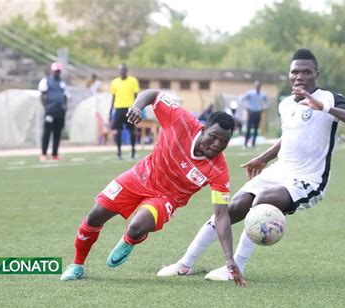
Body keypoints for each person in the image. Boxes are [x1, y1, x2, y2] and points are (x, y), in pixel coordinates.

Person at [157, 48, 345, 281]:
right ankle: (185, 264)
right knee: (232, 208)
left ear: (316, 74)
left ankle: (235, 268)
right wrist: (264, 158)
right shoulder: (286, 104)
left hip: (309, 180)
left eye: (306, 72)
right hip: (279, 171)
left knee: (263, 202)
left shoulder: (329, 98)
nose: (300, 76)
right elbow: (289, 136)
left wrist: (325, 108)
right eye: (295, 72)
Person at [60, 89, 246, 286]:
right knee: (94, 216)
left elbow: (221, 215)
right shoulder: (180, 120)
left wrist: (228, 259)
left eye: (224, 142)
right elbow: (153, 94)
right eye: (214, 136)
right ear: (203, 128)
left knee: (136, 227)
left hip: (166, 199)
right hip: (140, 176)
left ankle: (130, 240)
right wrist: (136, 107)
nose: (218, 144)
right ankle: (77, 265)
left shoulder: (218, 170)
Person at [38, 62, 68, 161]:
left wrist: (65, 107)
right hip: (50, 111)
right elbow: (42, 95)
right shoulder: (46, 81)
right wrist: (46, 108)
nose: (57, 73)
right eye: (56, 71)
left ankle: (55, 154)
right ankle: (43, 153)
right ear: (52, 71)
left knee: (57, 133)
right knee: (47, 133)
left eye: (59, 71)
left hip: (60, 112)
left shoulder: (62, 83)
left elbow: (65, 96)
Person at [110, 63, 140, 159]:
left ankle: (133, 151)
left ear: (126, 71)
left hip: (129, 108)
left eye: (123, 70)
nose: (122, 71)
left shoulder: (133, 81)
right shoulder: (114, 82)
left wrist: (137, 107)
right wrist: (111, 110)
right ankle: (119, 152)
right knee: (118, 131)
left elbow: (136, 96)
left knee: (132, 131)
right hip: (118, 108)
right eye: (120, 70)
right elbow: (113, 97)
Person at [240, 81, 269, 148]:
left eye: (259, 85)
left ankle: (253, 143)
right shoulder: (250, 93)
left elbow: (267, 102)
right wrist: (246, 107)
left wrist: (264, 108)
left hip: (258, 113)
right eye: (256, 85)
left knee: (256, 129)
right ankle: (245, 143)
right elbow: (242, 99)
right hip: (251, 112)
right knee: (249, 128)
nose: (258, 87)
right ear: (255, 86)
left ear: (260, 86)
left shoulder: (262, 94)